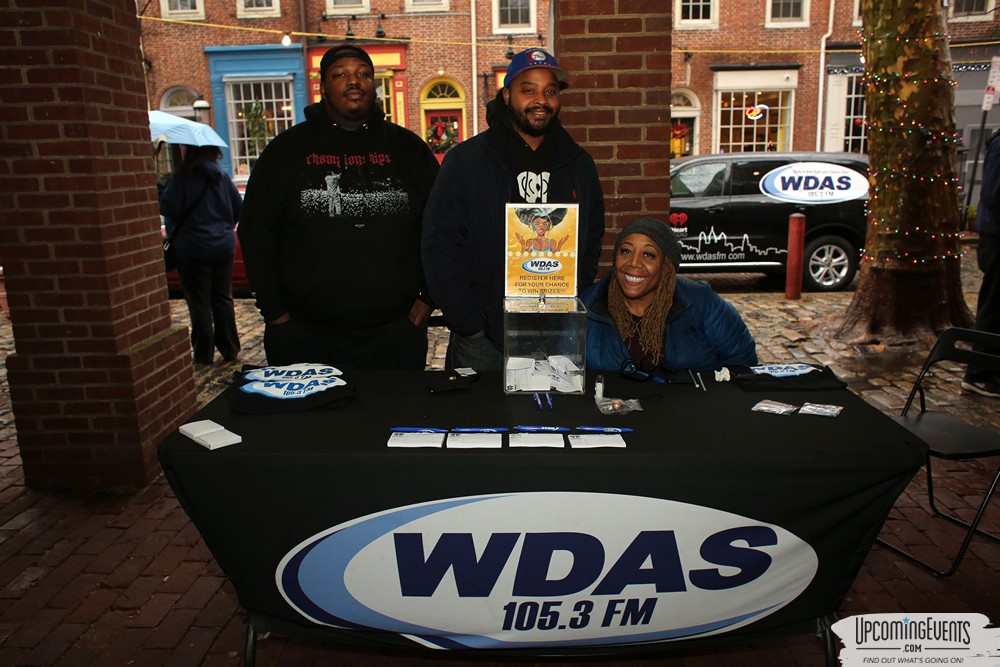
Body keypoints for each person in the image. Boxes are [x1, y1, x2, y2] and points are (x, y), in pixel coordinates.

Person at [238, 44, 440, 369]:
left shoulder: (408, 149)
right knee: (314, 421)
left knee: (392, 419)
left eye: (362, 73)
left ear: (374, 84)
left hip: (394, 333)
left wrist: (429, 299)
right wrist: (275, 313)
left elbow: (443, 226)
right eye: (340, 74)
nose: (353, 81)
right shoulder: (285, 152)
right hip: (304, 336)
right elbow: (257, 233)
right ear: (322, 87)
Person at [422, 48, 605, 371]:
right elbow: (439, 246)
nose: (541, 100)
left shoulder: (579, 165)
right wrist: (470, 323)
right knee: (479, 422)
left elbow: (591, 239)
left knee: (551, 420)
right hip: (482, 342)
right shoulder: (466, 162)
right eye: (528, 89)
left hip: (556, 336)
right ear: (507, 96)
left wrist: (572, 298)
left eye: (550, 91)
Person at [582, 218, 758, 372]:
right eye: (626, 251)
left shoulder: (702, 302)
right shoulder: (585, 305)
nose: (634, 263)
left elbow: (743, 362)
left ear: (666, 267)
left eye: (648, 255)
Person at [160, 144, 242, 365]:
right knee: (223, 297)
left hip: (193, 248)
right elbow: (238, 207)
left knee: (199, 301)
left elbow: (168, 208)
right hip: (223, 246)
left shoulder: (180, 178)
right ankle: (230, 347)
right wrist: (223, 228)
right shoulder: (221, 177)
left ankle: (204, 352)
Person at [961, 129, 1000, 398]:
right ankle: (979, 372)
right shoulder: (999, 145)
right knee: (994, 307)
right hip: (997, 238)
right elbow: (993, 195)